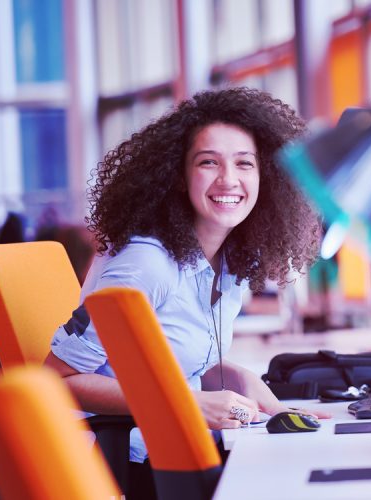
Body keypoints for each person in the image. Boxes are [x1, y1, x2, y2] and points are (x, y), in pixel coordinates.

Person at [43, 88, 327, 467]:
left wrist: (246, 384)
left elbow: (180, 360)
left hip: (195, 447)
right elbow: (55, 383)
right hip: (141, 466)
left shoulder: (229, 263)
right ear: (179, 177)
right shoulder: (147, 265)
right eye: (209, 162)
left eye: (245, 164)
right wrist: (186, 402)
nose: (229, 179)